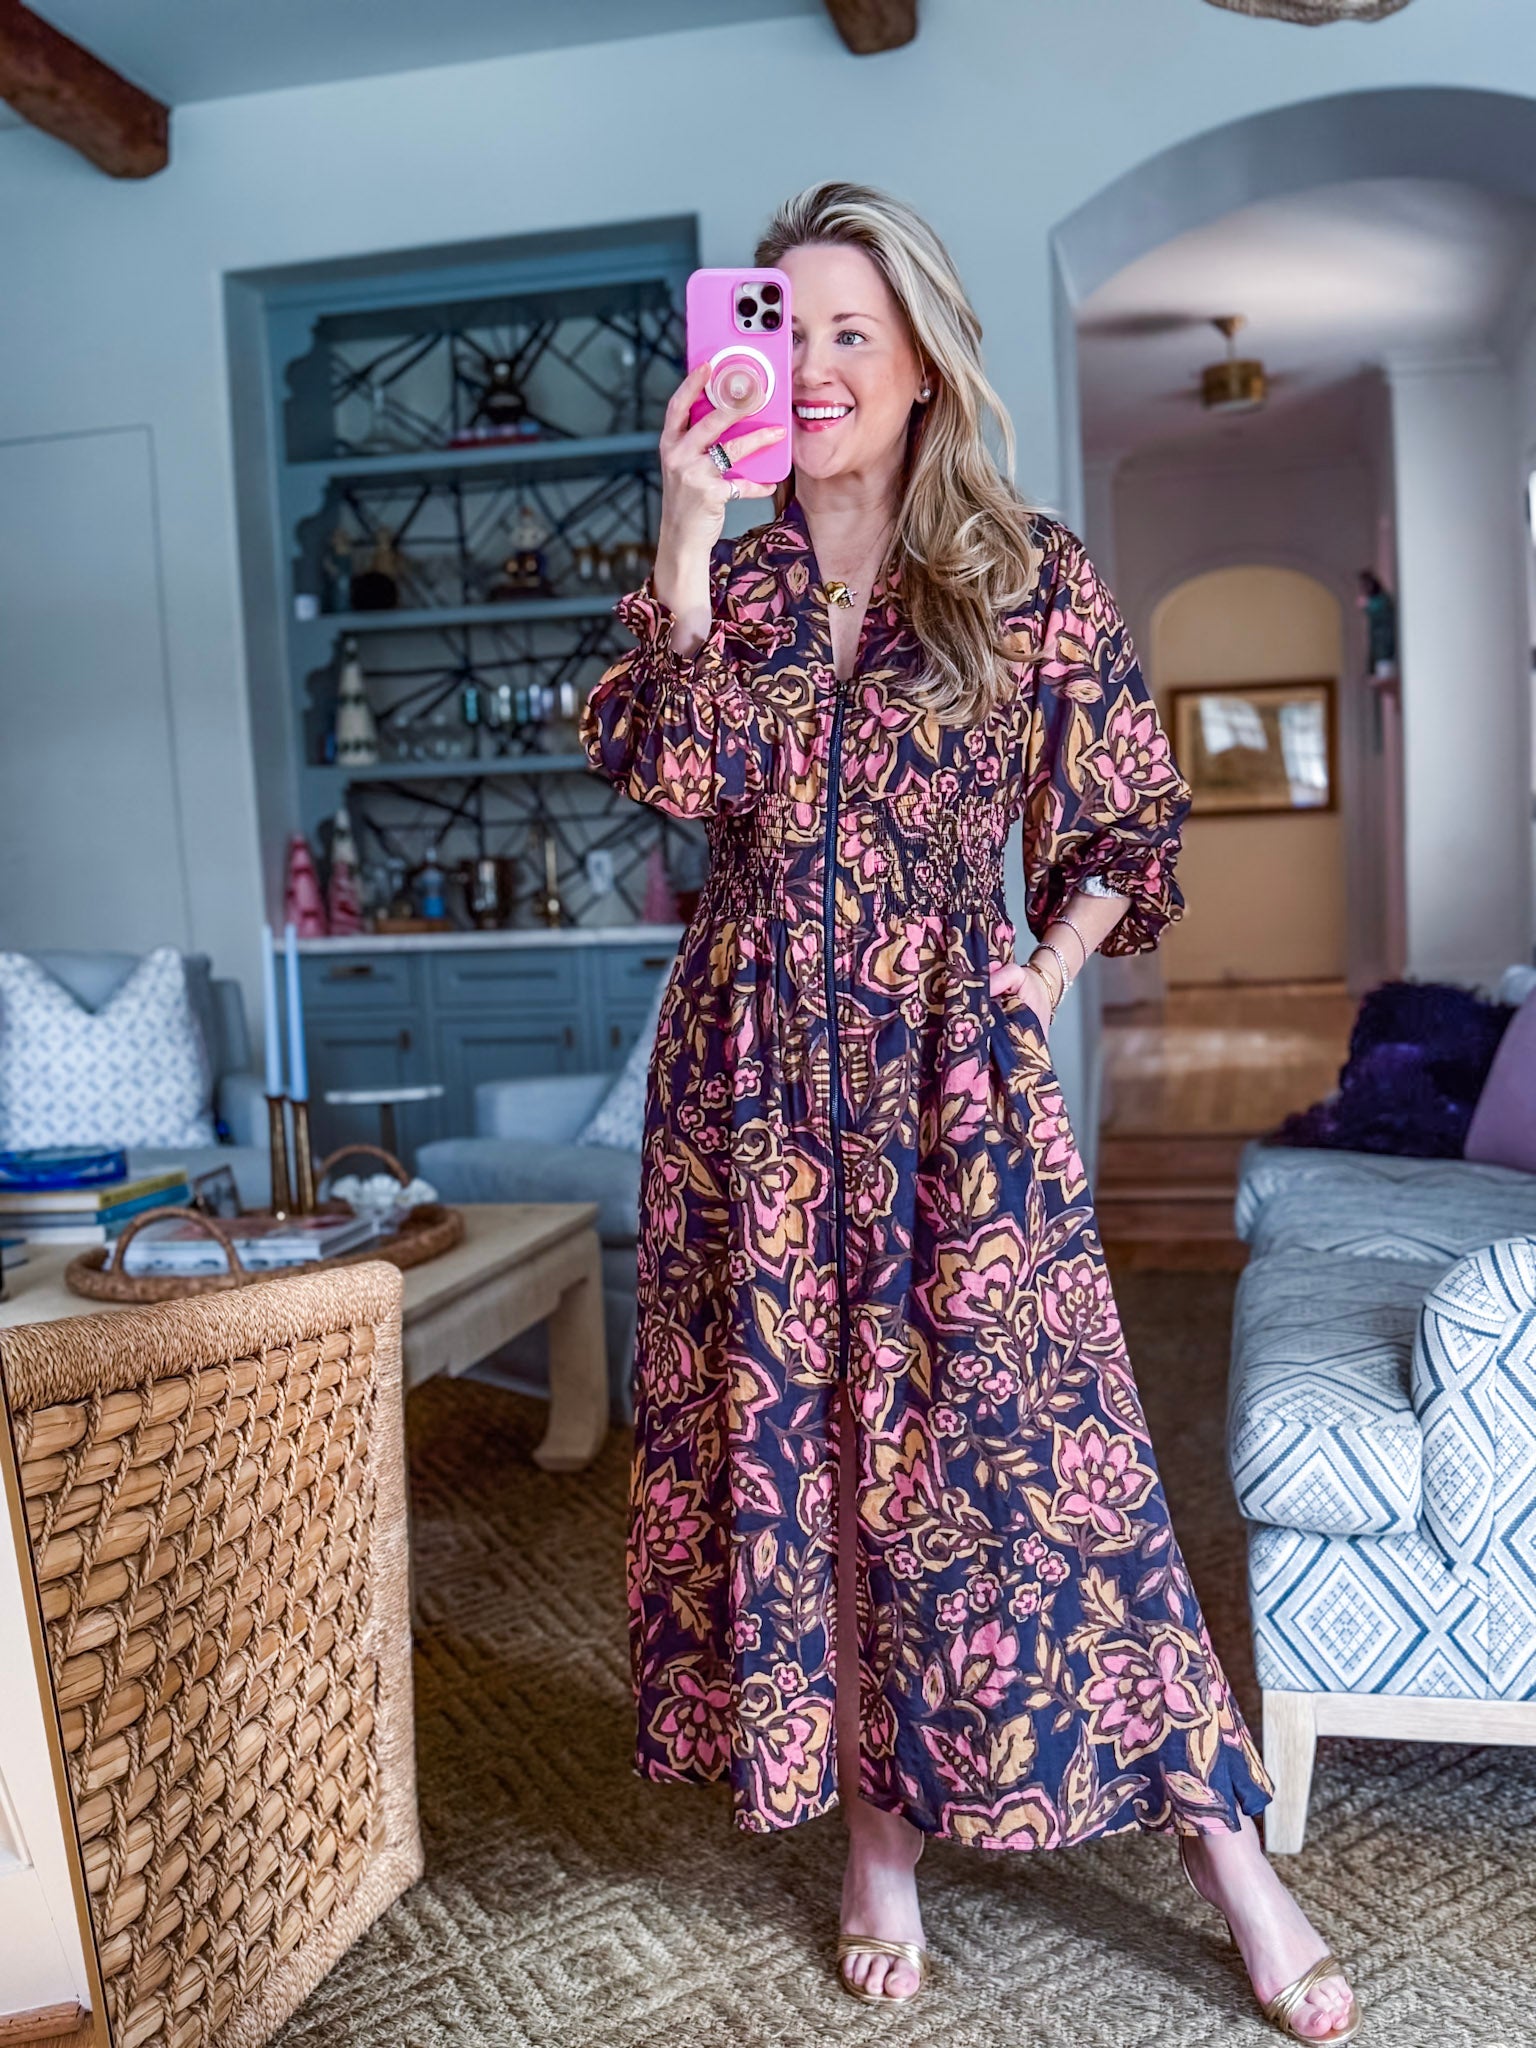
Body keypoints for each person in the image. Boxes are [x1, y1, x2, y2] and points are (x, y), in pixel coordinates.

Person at [579, 181, 1361, 2044]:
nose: (814, 365)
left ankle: (1227, 1848)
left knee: (1050, 1464)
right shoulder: (734, 579)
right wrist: (683, 534)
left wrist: (1046, 967)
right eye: (785, 327)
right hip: (752, 1094)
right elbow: (673, 769)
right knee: (812, 1462)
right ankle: (881, 1841)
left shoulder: (1028, 570)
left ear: (924, 363)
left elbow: (1129, 819)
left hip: (950, 1082)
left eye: (853, 331)